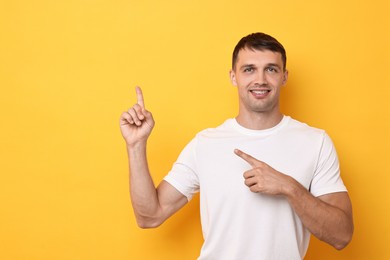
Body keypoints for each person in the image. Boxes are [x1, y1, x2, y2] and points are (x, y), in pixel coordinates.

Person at [119, 32, 354, 260]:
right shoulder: (205, 144)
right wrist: (136, 145)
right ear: (234, 77)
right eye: (249, 69)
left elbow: (342, 235)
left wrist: (289, 187)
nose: (260, 79)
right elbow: (149, 216)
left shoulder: (315, 142)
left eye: (271, 69)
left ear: (284, 76)